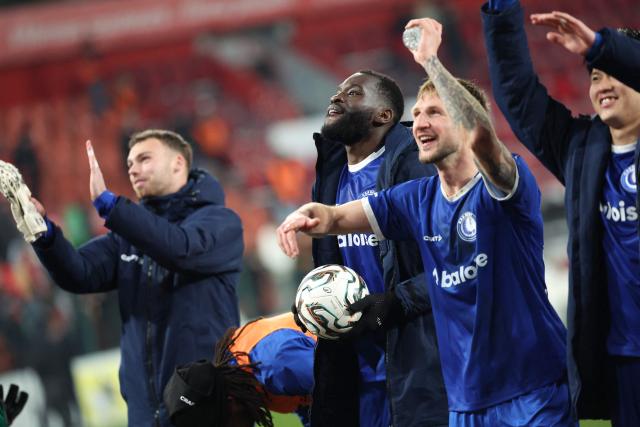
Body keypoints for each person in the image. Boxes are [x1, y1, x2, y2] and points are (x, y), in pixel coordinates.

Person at [278, 17, 575, 427]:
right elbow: (341, 216)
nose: (418, 123)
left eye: (434, 112)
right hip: (464, 402)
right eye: (416, 114)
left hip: (531, 389)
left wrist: (432, 62)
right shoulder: (417, 198)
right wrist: (310, 216)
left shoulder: (506, 186)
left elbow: (482, 137)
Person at [482, 3, 640, 425]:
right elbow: (518, 95)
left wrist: (600, 47)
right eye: (594, 76)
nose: (602, 84)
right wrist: (500, 11)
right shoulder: (581, 151)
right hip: (623, 358)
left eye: (613, 72)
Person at [25, 129, 244, 426]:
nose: (133, 169)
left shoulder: (221, 222)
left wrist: (110, 206)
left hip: (206, 406)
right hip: (145, 412)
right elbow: (79, 273)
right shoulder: (127, 236)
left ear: (178, 163)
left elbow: (179, 249)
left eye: (144, 159)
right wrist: (45, 235)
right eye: (129, 164)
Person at [294, 69, 447, 426]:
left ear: (383, 115)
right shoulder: (331, 177)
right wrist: (314, 301)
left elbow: (453, 267)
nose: (336, 98)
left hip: (421, 365)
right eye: (337, 91)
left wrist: (395, 302)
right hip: (358, 370)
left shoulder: (417, 170)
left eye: (352, 93)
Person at [163, 313, 316, 427]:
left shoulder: (273, 365)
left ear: (231, 403)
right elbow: (316, 412)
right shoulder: (250, 383)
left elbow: (338, 380)